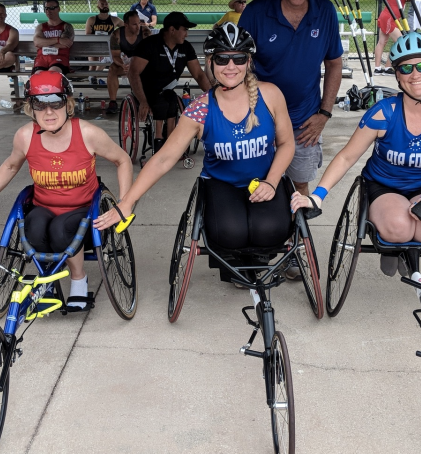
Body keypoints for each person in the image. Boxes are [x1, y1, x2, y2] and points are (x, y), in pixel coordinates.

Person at [95, 24, 295, 285]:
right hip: (221, 183)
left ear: (249, 62)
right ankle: (234, 266)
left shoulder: (270, 95)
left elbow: (287, 143)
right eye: (222, 58)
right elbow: (164, 159)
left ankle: (256, 263)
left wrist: (272, 181)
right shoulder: (199, 110)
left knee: (272, 231)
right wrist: (128, 202)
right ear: (210, 62)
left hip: (264, 180)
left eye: (239, 58)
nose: (231, 66)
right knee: (229, 233)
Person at [291, 32, 421, 276]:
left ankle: (407, 250)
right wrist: (318, 196)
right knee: (398, 228)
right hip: (385, 185)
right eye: (406, 68)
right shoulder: (382, 113)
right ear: (397, 75)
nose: (415, 75)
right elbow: (346, 157)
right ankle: (393, 248)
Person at [0, 71, 133, 307]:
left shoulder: (88, 133)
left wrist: (124, 203)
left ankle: (79, 279)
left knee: (61, 231)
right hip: (44, 206)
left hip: (83, 210)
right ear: (31, 108)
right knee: (33, 227)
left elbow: (123, 160)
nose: (48, 112)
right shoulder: (25, 136)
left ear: (67, 104)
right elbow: (10, 166)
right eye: (40, 104)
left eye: (55, 103)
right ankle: (48, 278)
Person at [238, 0, 343, 198]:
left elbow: (334, 63)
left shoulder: (325, 11)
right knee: (255, 185)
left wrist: (325, 114)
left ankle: (298, 236)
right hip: (259, 117)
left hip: (304, 121)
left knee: (301, 188)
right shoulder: (256, 12)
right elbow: (237, 63)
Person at [129, 12, 211, 152]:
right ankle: (158, 139)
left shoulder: (185, 47)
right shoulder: (149, 45)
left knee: (172, 100)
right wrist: (142, 101)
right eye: (184, 30)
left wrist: (214, 97)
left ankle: (172, 138)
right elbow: (133, 72)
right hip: (146, 89)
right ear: (172, 30)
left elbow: (198, 74)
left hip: (167, 90)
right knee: (161, 103)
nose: (186, 34)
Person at [106, 9, 151, 115]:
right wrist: (123, 64)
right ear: (126, 25)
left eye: (139, 23)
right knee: (112, 69)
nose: (138, 26)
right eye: (134, 24)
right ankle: (113, 102)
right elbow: (115, 55)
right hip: (126, 62)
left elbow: (151, 52)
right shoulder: (116, 35)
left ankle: (144, 98)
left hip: (142, 62)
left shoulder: (145, 32)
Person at [374, 0, 412, 75]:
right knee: (400, 42)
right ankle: (387, 67)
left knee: (382, 42)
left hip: (387, 15)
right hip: (391, 17)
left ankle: (378, 68)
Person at [85, 0, 123, 86]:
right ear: (98, 6)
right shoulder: (92, 20)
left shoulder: (114, 20)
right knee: (93, 61)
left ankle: (94, 77)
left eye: (106, 4)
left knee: (107, 58)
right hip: (94, 46)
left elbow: (126, 27)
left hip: (108, 47)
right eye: (102, 4)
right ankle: (92, 76)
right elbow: (87, 35)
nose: (105, 5)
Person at [32, 0, 75, 75]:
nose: (48, 11)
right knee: (38, 75)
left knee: (53, 74)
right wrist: (58, 40)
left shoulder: (66, 26)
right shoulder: (40, 26)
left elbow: (65, 44)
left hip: (59, 58)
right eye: (46, 8)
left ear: (58, 9)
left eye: (52, 8)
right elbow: (37, 42)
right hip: (42, 59)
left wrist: (44, 43)